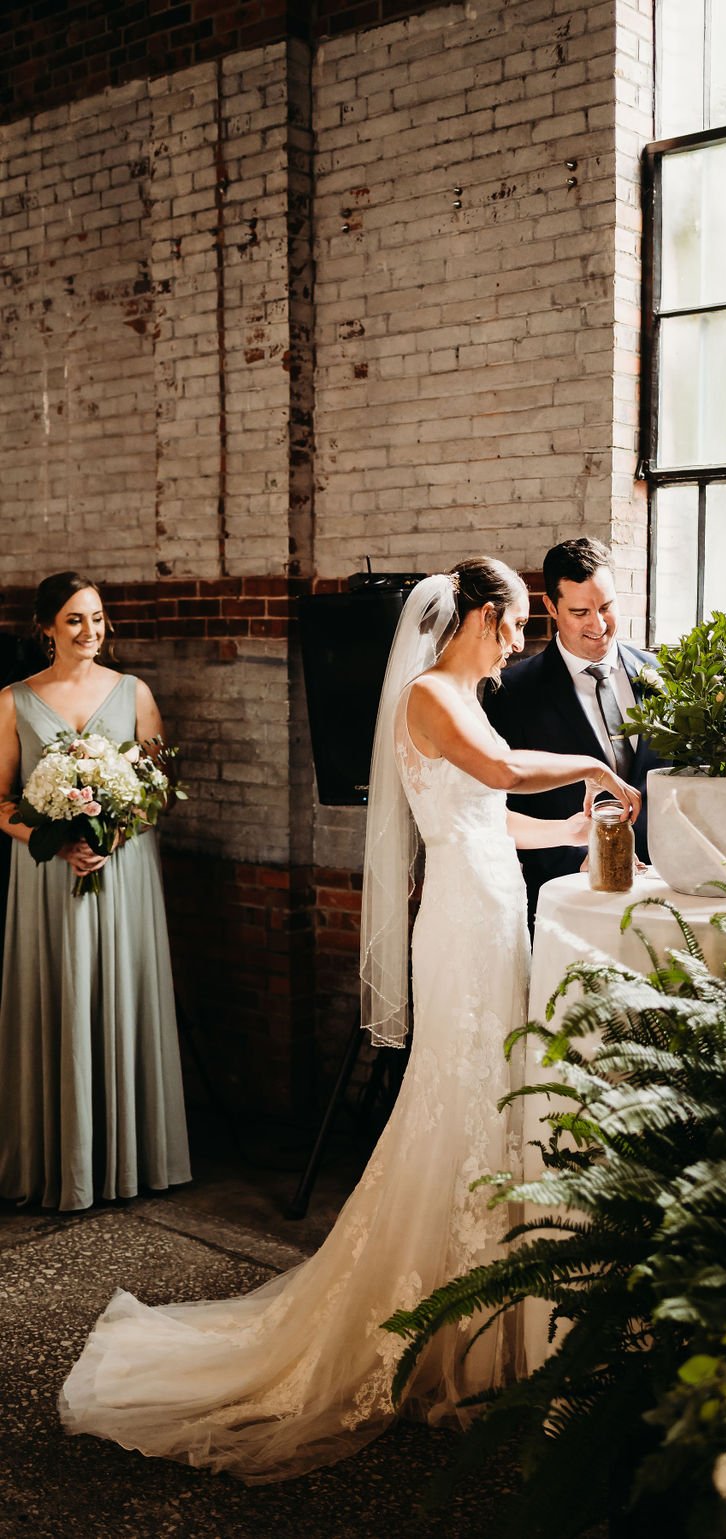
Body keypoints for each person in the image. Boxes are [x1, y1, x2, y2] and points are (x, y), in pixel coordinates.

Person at [59, 557, 640, 1482]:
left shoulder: (466, 692)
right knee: (461, 1092)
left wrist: (573, 827)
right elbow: (497, 770)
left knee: (492, 1095)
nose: (523, 638)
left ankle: (485, 1295)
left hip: (493, 906)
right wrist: (589, 764)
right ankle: (443, 1313)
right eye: (519, 620)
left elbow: (490, 816)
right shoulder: (428, 696)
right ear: (480, 615)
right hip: (462, 922)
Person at [0, 572, 191, 1212]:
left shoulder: (134, 692)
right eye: (76, 620)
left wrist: (111, 835)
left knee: (120, 992)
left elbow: (158, 785)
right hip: (48, 873)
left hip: (123, 867)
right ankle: (60, 1160)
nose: (91, 631)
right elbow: (1, 800)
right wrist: (57, 839)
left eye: (98, 618)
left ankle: (129, 1158)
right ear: (46, 628)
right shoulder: (13, 701)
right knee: (58, 996)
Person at [484, 537, 664, 921]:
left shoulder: (660, 675)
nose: (598, 625)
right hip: (567, 896)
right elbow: (499, 806)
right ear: (551, 606)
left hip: (663, 891)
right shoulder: (512, 692)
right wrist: (586, 858)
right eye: (581, 611)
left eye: (606, 606)